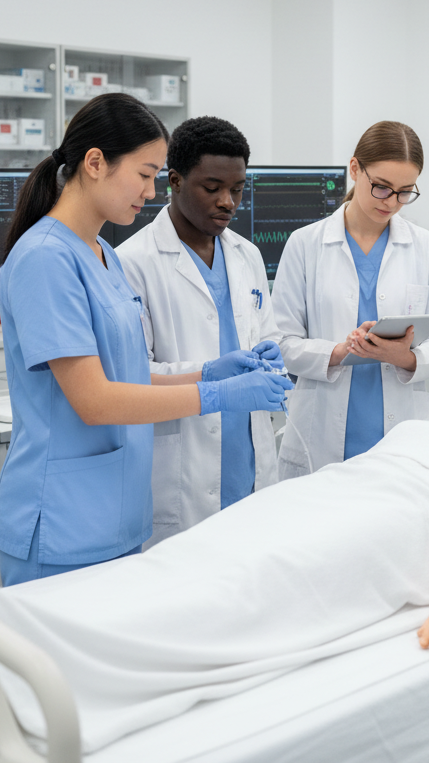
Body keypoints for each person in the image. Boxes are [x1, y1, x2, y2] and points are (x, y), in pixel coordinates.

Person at [0, 361, 429, 750]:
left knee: (251, 584)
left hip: (407, 525)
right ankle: (18, 624)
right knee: (202, 556)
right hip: (327, 496)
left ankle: (48, 661)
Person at [0, 94, 291, 586]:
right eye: (146, 174)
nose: (152, 192)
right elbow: (93, 399)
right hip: (62, 518)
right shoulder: (45, 258)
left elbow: (128, 373)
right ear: (94, 163)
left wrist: (210, 370)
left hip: (120, 512)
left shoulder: (101, 253)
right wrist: (216, 395)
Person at [117, 116, 282, 544]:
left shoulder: (246, 255)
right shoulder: (133, 262)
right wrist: (213, 373)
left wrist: (271, 356)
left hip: (250, 465)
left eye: (238, 188)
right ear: (174, 180)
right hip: (181, 473)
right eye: (212, 188)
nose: (228, 201)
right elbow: (132, 377)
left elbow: (264, 333)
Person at [272, 121, 429, 479]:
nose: (392, 203)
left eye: (405, 192)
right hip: (320, 432)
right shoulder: (305, 244)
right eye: (382, 188)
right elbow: (281, 343)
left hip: (402, 432)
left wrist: (405, 357)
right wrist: (340, 353)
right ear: (355, 169)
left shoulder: (426, 247)